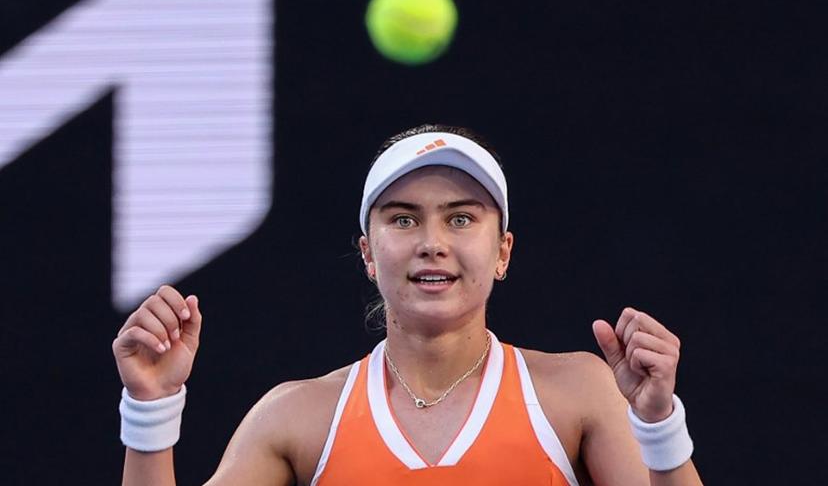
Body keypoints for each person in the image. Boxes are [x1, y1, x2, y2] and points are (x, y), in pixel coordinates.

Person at [113, 124, 704, 485]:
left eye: (461, 218)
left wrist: (658, 425)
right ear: (368, 254)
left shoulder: (578, 392)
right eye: (403, 219)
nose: (432, 243)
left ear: (502, 251)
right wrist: (151, 409)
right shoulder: (297, 416)